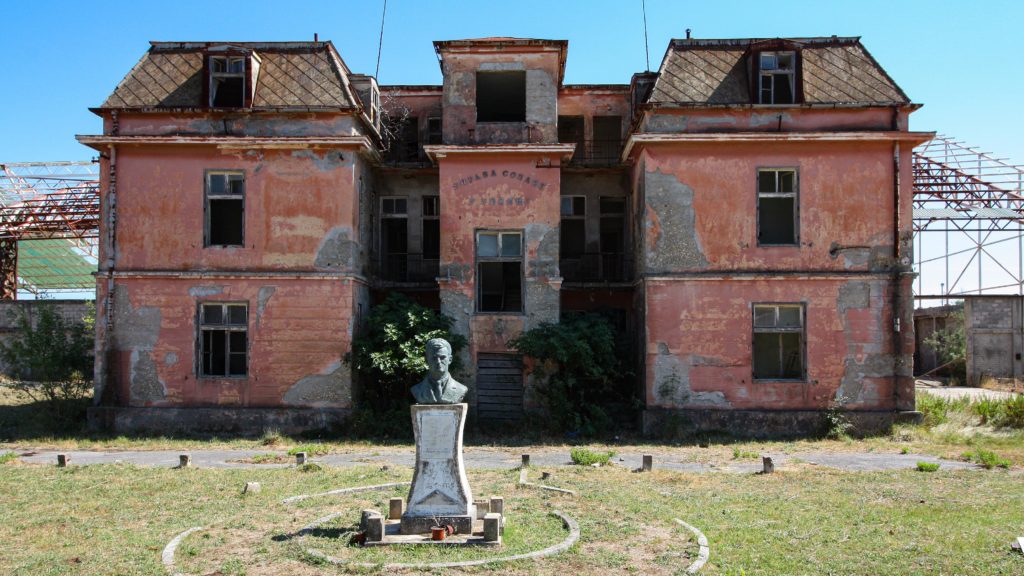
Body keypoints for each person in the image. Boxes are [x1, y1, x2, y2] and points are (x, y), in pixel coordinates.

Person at [410, 338, 467, 404]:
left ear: (450, 359)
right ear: (426, 360)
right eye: (434, 358)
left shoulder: (460, 389)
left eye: (442, 357)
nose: (438, 362)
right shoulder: (417, 390)